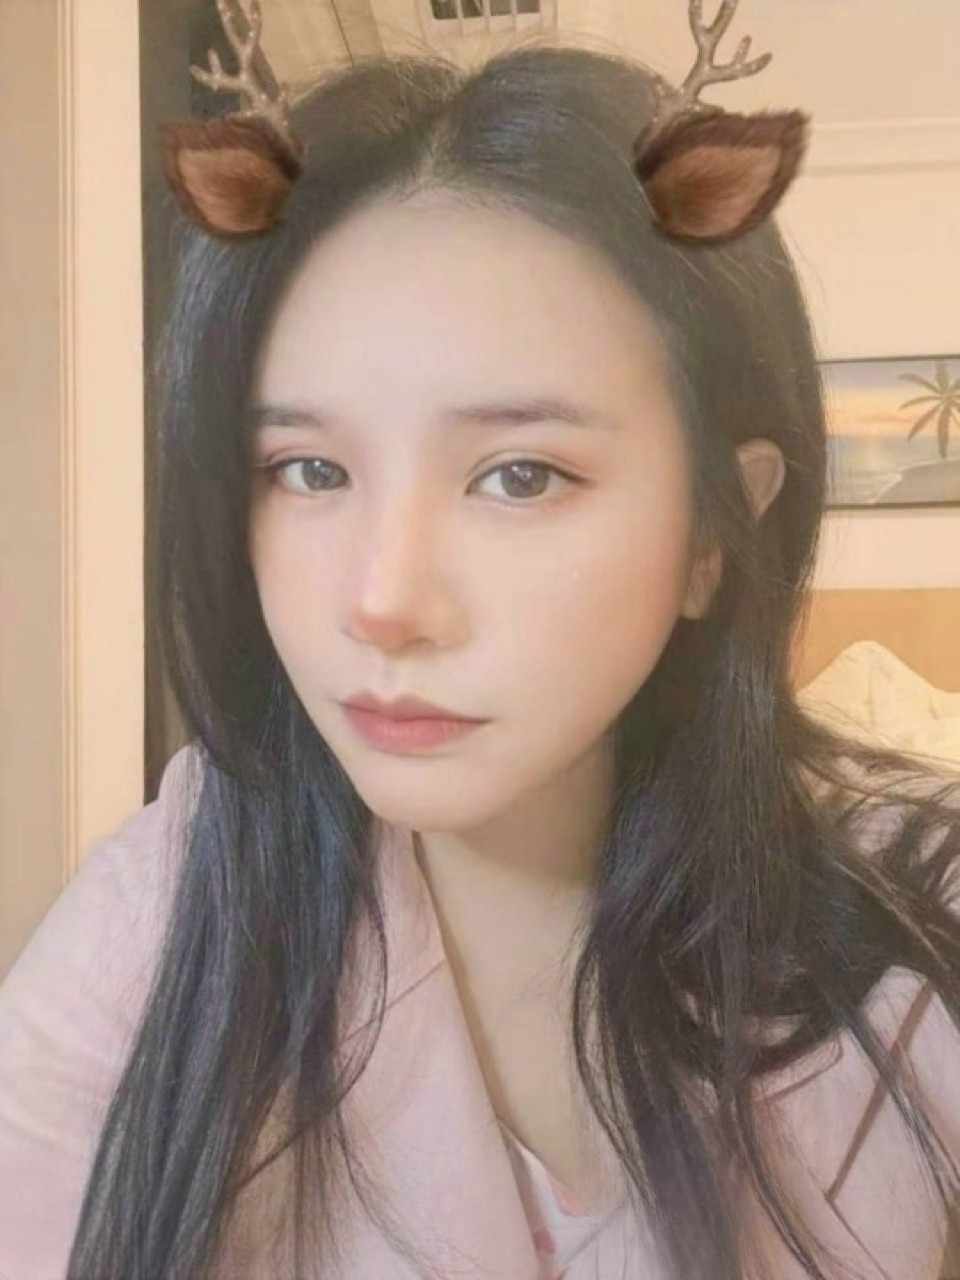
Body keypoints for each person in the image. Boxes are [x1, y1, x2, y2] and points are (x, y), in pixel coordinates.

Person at [2, 3, 960, 1278]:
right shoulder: (170, 915)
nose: (380, 599)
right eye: (308, 469)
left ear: (711, 537)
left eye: (519, 474)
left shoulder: (915, 916)